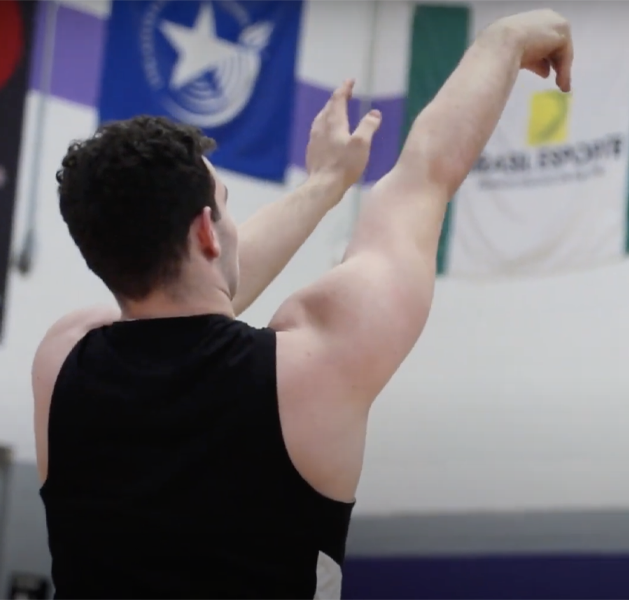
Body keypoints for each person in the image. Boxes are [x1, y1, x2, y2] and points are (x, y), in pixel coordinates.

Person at [31, 9, 574, 599]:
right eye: (226, 205)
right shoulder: (313, 368)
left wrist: (325, 185)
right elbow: (425, 177)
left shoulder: (61, 363)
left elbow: (192, 298)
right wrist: (505, 39)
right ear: (208, 233)